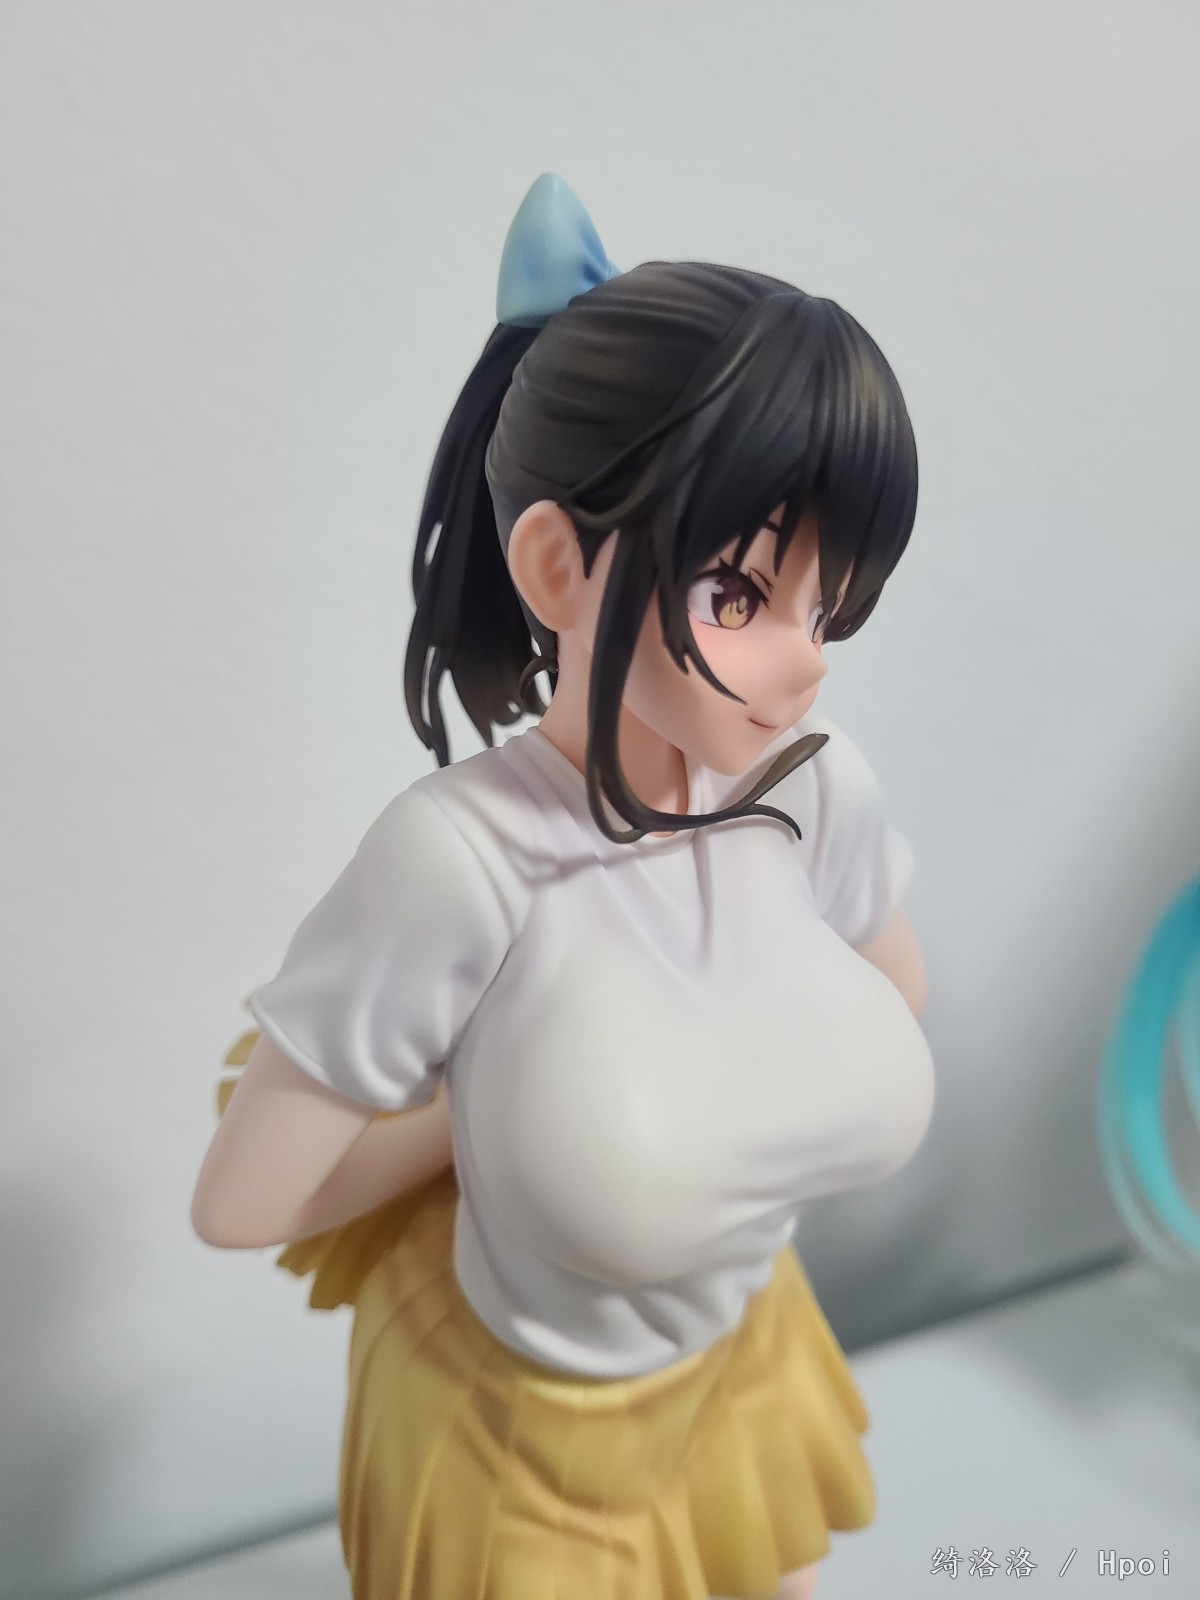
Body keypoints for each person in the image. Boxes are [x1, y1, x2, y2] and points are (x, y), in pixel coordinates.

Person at [192, 173, 936, 1600]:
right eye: (739, 596)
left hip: (747, 1364)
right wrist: (472, 1115)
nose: (805, 658)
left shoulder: (817, 784)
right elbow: (245, 1201)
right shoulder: (464, 862)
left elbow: (896, 992)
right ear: (556, 562)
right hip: (521, 1440)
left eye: (826, 602)